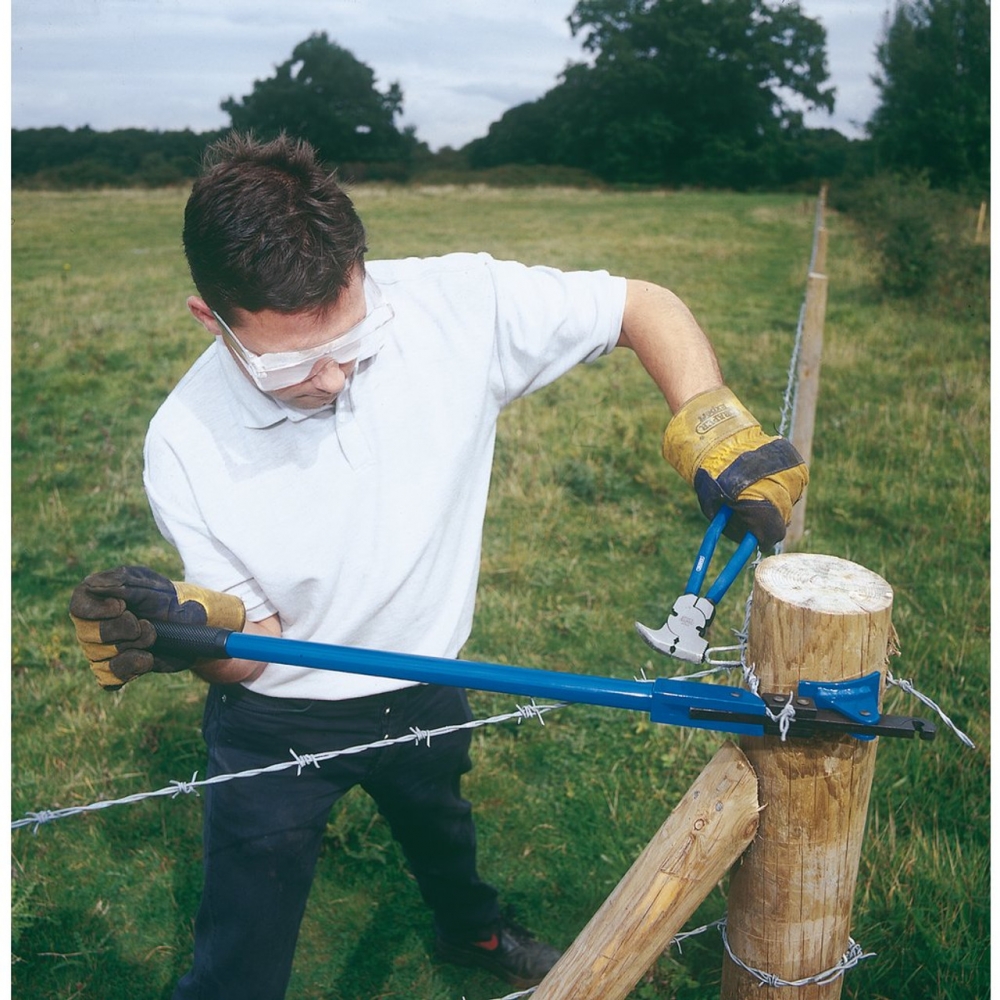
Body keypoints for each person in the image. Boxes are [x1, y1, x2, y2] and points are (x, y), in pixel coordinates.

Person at [70, 132, 807, 999]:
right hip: (279, 720)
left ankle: (473, 935)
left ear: (362, 270)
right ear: (211, 317)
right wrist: (194, 638)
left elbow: (640, 306)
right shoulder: (184, 442)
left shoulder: (455, 304)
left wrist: (712, 423)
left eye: (355, 337)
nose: (337, 376)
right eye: (295, 363)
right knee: (242, 943)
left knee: (443, 833)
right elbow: (256, 644)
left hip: (428, 674)